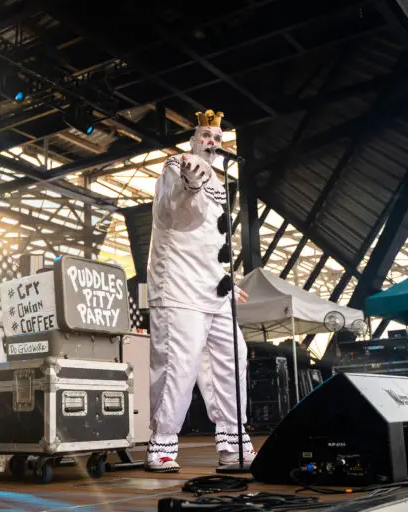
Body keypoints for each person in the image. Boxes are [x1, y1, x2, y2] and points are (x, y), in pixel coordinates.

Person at [145, 109, 255, 473]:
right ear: (193, 139)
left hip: (213, 287)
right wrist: (189, 185)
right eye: (206, 137)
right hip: (178, 285)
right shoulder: (177, 167)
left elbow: (214, 241)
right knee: (179, 364)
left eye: (218, 139)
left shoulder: (220, 181)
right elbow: (175, 216)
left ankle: (233, 443)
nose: (212, 144)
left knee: (232, 356)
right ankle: (161, 444)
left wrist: (226, 279)